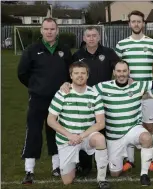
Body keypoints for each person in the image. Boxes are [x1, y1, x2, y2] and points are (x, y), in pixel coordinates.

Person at [93, 61, 153, 186]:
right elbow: (84, 90)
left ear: (129, 72)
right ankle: (120, 161)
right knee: (115, 173)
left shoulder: (137, 86)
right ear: (113, 72)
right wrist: (67, 85)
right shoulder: (102, 87)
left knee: (146, 137)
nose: (121, 74)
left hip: (133, 129)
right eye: (118, 71)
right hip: (114, 136)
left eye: (124, 71)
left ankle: (144, 174)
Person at [17, 17, 73, 184]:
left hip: (59, 100)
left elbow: (72, 72)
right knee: (34, 132)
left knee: (55, 132)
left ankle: (56, 166)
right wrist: (36, 87)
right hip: (37, 99)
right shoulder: (32, 50)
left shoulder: (64, 50)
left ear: (57, 31)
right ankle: (29, 169)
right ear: (41, 30)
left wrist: (67, 84)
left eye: (52, 29)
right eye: (46, 29)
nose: (49, 32)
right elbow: (22, 73)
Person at [47, 61, 110, 189]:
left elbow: (100, 123)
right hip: (67, 139)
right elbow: (51, 120)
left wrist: (81, 136)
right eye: (76, 73)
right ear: (71, 76)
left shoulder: (94, 94)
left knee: (100, 138)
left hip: (85, 136)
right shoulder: (62, 93)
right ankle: (74, 164)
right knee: (67, 181)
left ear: (87, 75)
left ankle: (101, 179)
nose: (80, 76)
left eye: (83, 73)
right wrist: (70, 135)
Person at [69, 26, 120, 177]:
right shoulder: (77, 55)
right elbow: (70, 75)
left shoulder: (108, 53)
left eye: (94, 36)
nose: (91, 38)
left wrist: (127, 78)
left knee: (104, 131)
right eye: (88, 36)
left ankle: (104, 163)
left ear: (99, 38)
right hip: (83, 99)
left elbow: (118, 68)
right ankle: (84, 165)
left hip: (105, 100)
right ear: (84, 39)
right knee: (85, 129)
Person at [115, 10, 153, 172]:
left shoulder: (152, 43)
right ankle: (130, 159)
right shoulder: (121, 45)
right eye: (133, 21)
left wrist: (145, 84)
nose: (136, 24)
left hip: (147, 92)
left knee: (149, 125)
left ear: (143, 23)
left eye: (139, 21)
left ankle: (150, 160)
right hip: (128, 93)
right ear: (129, 24)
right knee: (130, 125)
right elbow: (117, 68)